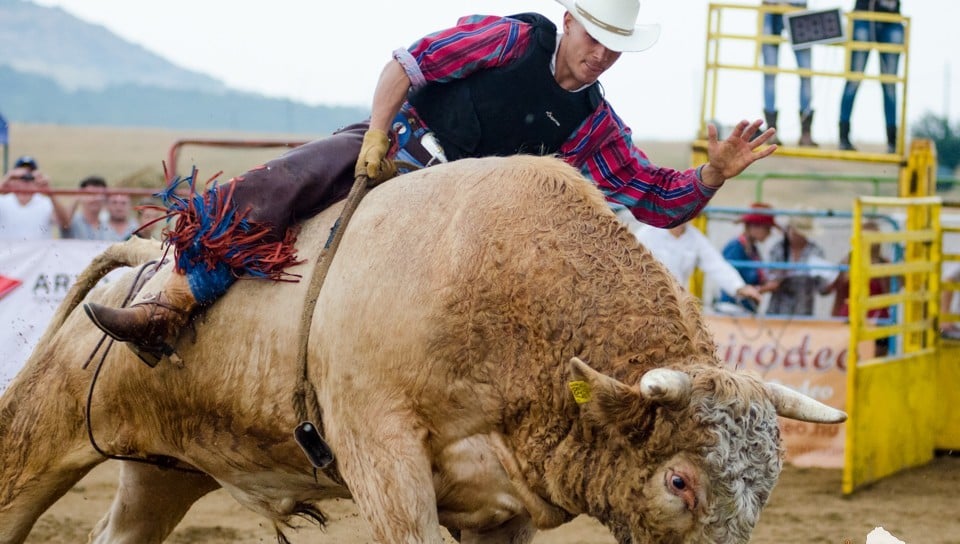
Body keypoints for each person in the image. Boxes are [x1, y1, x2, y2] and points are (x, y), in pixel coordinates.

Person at [85, 0, 779, 368]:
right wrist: (378, 136)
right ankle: (172, 305)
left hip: (473, 216)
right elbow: (409, 65)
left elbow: (656, 198)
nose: (598, 55)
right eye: (591, 36)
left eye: (611, 46)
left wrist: (713, 173)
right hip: (405, 150)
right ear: (567, 22)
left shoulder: (593, 125)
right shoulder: (509, 39)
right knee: (281, 187)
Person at [632, 221, 763, 307]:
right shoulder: (646, 234)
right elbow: (630, 265)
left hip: (675, 303)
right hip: (644, 301)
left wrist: (739, 287)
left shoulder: (695, 238)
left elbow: (716, 264)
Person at [838, 0, 903, 153]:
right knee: (854, 80)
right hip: (864, 15)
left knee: (890, 85)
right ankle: (843, 137)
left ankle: (892, 141)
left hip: (891, 18)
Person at [820, 220, 893, 354]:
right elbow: (833, 289)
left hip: (874, 319)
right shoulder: (849, 261)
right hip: (854, 316)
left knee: (872, 354)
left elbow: (889, 294)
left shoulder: (883, 264)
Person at [760, 1, 817, 146]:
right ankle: (773, 131)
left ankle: (804, 132)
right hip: (773, 7)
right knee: (771, 73)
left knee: (805, 73)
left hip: (793, 8)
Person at [766, 216, 836, 316]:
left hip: (803, 311)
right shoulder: (778, 249)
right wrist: (777, 279)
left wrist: (833, 282)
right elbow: (769, 278)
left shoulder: (816, 252)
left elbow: (823, 289)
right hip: (777, 310)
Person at [719, 204, 781, 312]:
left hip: (745, 308)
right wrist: (764, 288)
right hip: (733, 307)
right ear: (754, 227)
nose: (769, 233)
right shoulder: (736, 248)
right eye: (767, 228)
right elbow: (728, 277)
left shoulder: (752, 249)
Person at [0, 156, 70, 239]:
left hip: (40, 252)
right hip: (8, 252)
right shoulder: (3, 201)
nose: (26, 179)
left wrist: (50, 192)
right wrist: (6, 181)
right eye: (21, 176)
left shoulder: (46, 202)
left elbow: (65, 224)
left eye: (30, 174)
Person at [61, 175, 110, 240]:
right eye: (90, 194)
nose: (95, 198)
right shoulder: (72, 220)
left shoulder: (108, 223)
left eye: (99, 194)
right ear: (80, 196)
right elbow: (64, 223)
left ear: (105, 197)